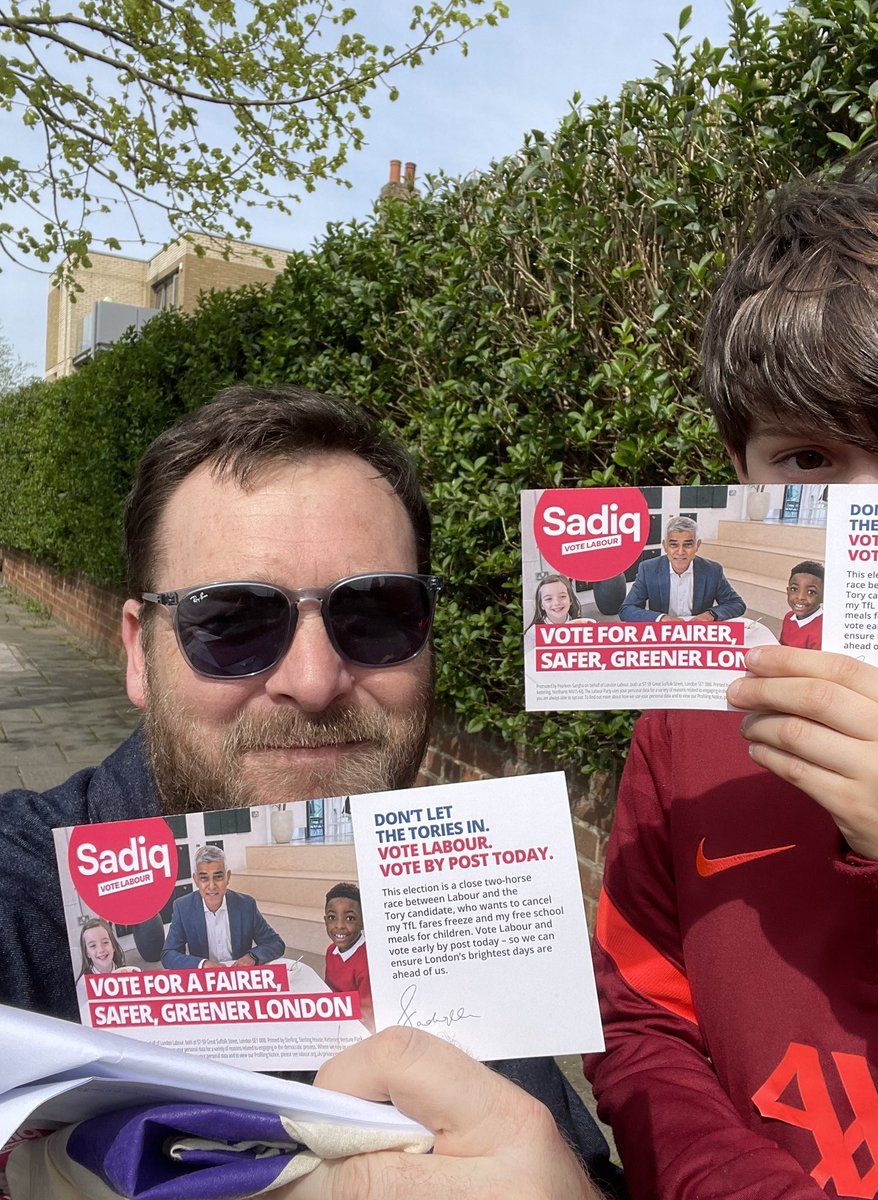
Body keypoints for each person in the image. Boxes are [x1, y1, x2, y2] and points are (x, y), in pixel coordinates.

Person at [0, 385, 618, 1196]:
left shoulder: (450, 904)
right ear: (136, 652)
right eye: (230, 622)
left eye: (377, 614)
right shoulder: (30, 898)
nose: (316, 680)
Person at [588, 138, 878, 1199]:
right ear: (738, 472)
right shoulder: (689, 715)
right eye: (808, 459)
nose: (864, 516)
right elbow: (635, 1013)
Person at [161, 844, 285, 969]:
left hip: (239, 976)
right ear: (196, 880)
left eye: (218, 877)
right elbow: (168, 955)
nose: (211, 886)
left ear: (228, 877)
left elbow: (276, 943)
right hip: (204, 979)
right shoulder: (183, 908)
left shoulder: (246, 905)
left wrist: (253, 956)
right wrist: (202, 964)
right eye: (204, 878)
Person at [619, 515, 747, 623]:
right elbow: (627, 609)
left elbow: (737, 604)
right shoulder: (648, 569)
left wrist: (711, 614)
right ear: (665, 546)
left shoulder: (712, 570)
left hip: (697, 633)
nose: (680, 552)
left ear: (697, 545)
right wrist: (661, 618)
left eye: (688, 545)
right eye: (673, 544)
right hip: (662, 633)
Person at [323, 881, 373, 1031]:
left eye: (350, 918)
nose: (339, 926)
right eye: (332, 917)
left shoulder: (366, 963)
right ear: (325, 921)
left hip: (354, 1028)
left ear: (363, 922)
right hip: (335, 1016)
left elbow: (368, 1018)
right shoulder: (331, 950)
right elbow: (329, 990)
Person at [779, 560, 824, 651]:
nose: (800, 597)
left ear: (823, 596)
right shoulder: (789, 617)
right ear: (787, 591)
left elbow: (815, 664)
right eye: (794, 589)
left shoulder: (821, 630)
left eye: (811, 592)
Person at [527, 574, 592, 627]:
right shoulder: (533, 634)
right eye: (548, 599)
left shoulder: (582, 625)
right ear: (541, 605)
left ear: (570, 600)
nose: (556, 603)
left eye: (562, 596)